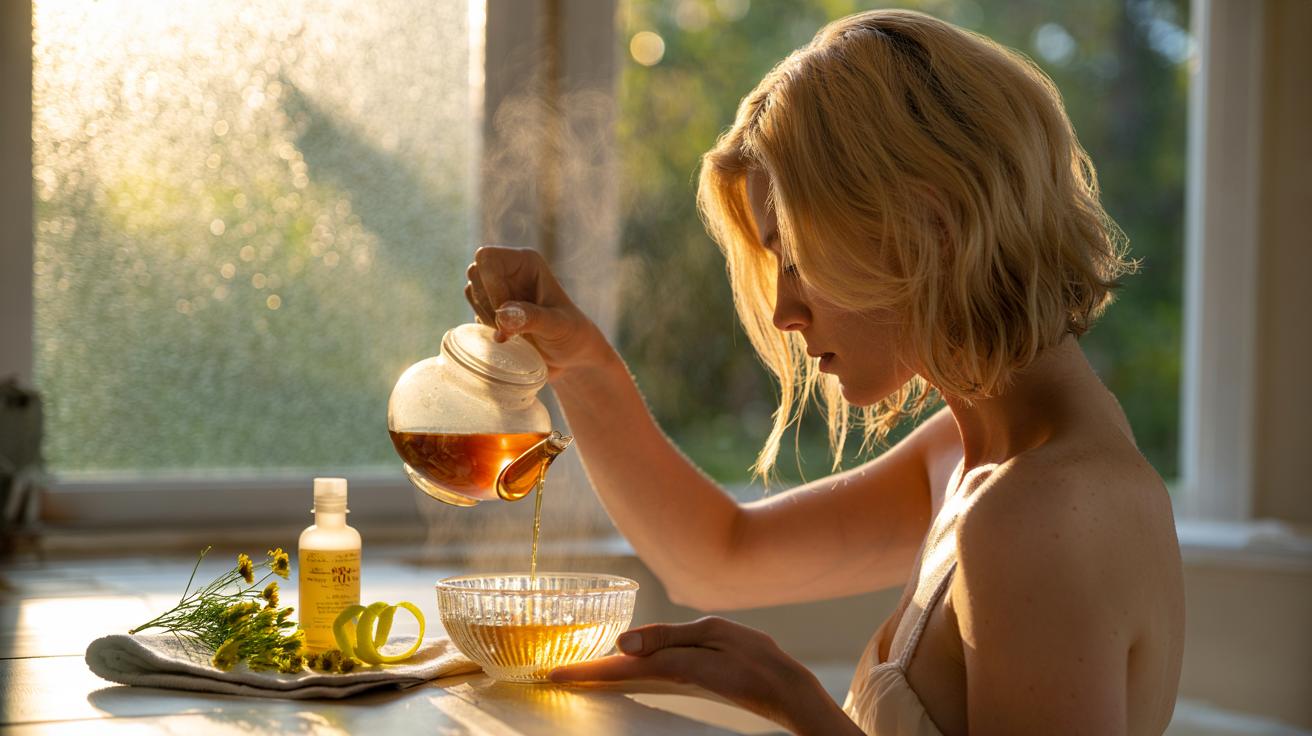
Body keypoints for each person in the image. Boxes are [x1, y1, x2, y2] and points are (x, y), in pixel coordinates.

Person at [464, 9, 1183, 735]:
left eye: (799, 258)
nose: (783, 311)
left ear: (925, 231)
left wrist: (792, 700)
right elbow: (719, 556)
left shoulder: (1042, 514)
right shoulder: (974, 459)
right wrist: (581, 359)